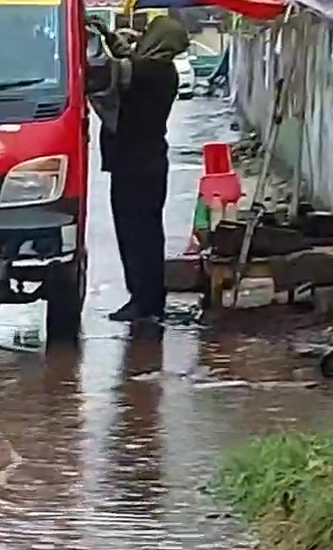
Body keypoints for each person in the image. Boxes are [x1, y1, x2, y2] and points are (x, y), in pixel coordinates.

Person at [90, 16, 187, 323]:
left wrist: (88, 41)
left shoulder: (150, 72)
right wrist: (108, 35)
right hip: (148, 164)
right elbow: (127, 60)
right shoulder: (161, 70)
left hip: (134, 166)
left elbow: (109, 71)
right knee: (147, 234)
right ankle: (149, 299)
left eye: (149, 33)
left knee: (135, 235)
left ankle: (143, 302)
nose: (142, 36)